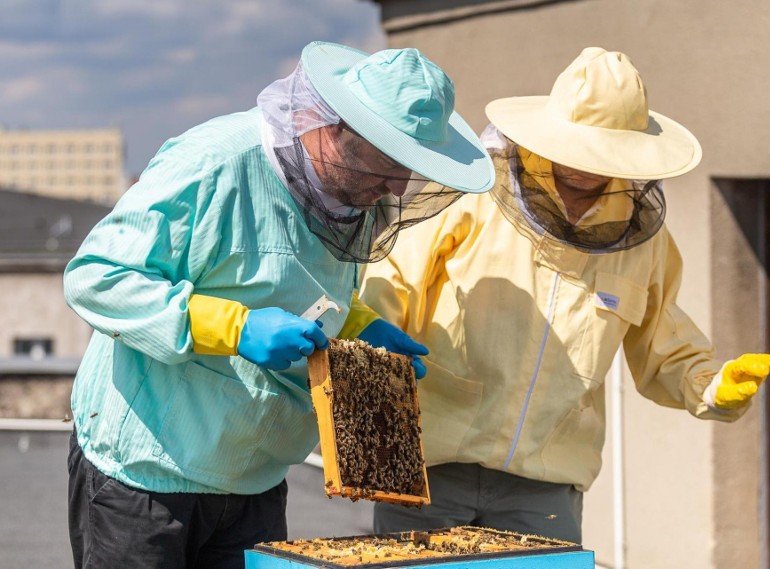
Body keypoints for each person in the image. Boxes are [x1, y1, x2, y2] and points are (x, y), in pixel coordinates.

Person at [63, 41, 494, 569]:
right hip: (147, 476)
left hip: (256, 481)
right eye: (387, 163)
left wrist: (356, 326)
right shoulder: (215, 164)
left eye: (410, 168)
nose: (398, 186)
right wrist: (234, 327)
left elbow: (303, 288)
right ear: (334, 128)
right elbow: (99, 278)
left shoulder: (356, 197)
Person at [354, 47, 770, 544]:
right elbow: (383, 299)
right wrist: (369, 432)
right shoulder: (472, 196)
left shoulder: (644, 243)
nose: (585, 164)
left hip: (545, 488)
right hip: (426, 467)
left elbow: (665, 346)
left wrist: (713, 387)